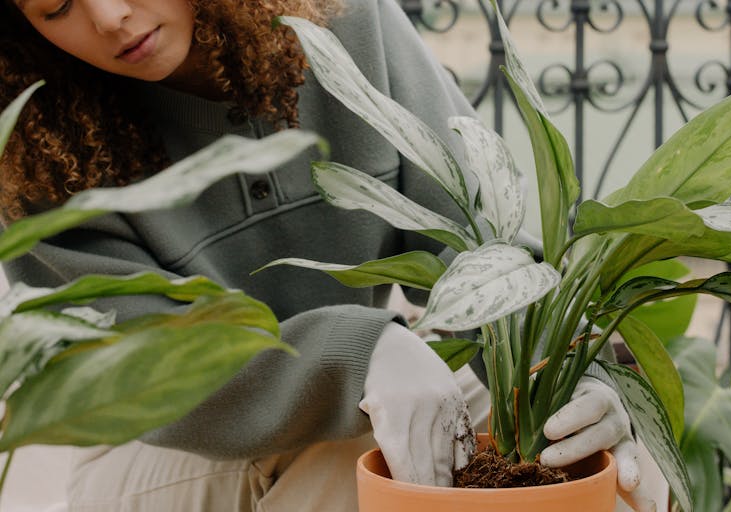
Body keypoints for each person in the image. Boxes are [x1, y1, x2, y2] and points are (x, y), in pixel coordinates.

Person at [0, 0, 656, 511]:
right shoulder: (34, 157)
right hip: (155, 453)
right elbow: (143, 378)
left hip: (367, 394)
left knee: (596, 468)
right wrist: (357, 354)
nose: (111, 16)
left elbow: (480, 236)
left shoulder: (343, 20)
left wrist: (566, 374)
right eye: (55, 8)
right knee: (363, 465)